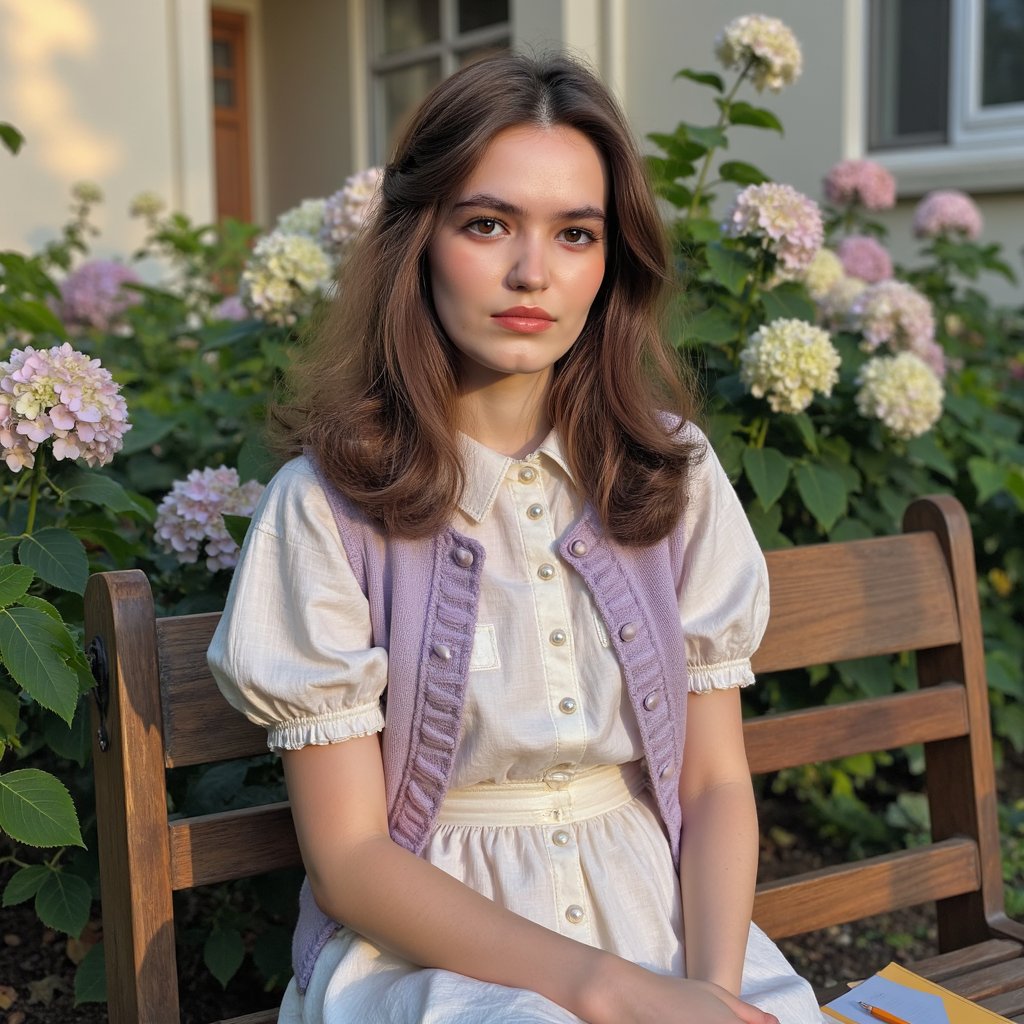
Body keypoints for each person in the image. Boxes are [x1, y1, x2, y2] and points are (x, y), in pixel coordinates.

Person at [208, 51, 824, 1024]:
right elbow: (351, 862)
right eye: (488, 223)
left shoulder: (670, 475)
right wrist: (606, 990)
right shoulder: (326, 508)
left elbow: (709, 785)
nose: (532, 271)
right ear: (419, 239)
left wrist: (706, 989)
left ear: (609, 260)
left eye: (574, 232)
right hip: (426, 945)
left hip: (662, 916)